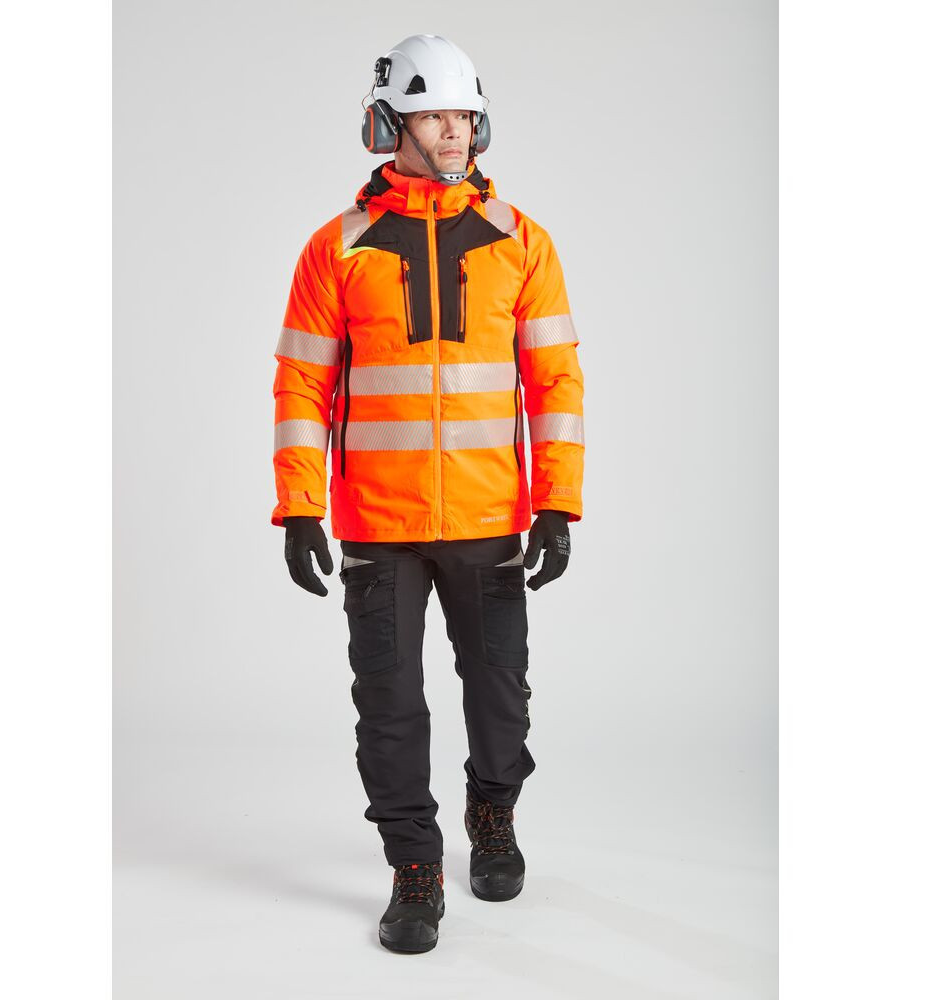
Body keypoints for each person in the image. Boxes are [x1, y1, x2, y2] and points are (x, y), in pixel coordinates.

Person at [271, 33, 584, 953]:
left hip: (490, 517)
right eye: (433, 115)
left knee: (500, 696)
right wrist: (300, 507)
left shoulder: (521, 242)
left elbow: (555, 382)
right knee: (389, 705)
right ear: (389, 125)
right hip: (379, 523)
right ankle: (414, 863)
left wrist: (557, 502)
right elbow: (302, 386)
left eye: (463, 115)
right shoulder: (337, 248)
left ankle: (493, 812)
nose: (454, 131)